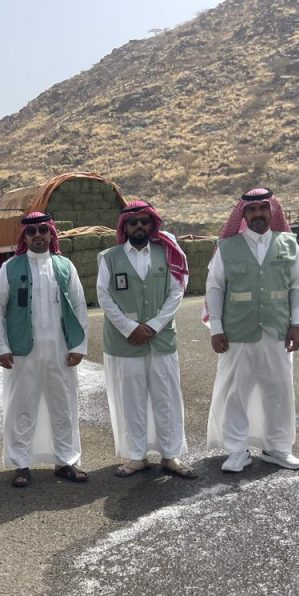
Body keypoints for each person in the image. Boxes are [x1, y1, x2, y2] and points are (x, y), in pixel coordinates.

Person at [205, 188, 299, 473]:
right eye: (251, 210)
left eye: (263, 208)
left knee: (279, 389)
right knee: (236, 392)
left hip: (277, 330)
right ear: (243, 214)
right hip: (237, 331)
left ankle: (278, 448)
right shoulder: (228, 246)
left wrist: (297, 324)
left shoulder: (288, 244)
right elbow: (215, 287)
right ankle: (237, 450)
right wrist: (216, 328)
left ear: (272, 210)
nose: (257, 214)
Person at [97, 200, 197, 479]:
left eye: (144, 221)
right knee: (132, 400)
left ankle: (171, 455)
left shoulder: (168, 253)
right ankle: (136, 456)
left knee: (167, 398)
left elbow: (177, 292)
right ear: (124, 226)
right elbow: (104, 296)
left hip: (161, 340)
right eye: (133, 222)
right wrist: (129, 328)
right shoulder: (109, 257)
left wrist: (152, 326)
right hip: (125, 342)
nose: (139, 226)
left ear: (152, 224)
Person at [0, 212, 90, 486]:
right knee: (21, 407)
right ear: (24, 236)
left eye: (43, 230)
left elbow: (80, 306)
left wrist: (79, 345)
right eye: (31, 231)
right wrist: (2, 347)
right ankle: (21, 464)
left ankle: (66, 461)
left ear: (51, 233)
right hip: (23, 352)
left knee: (63, 406)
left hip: (60, 350)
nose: (38, 235)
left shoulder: (65, 266)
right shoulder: (10, 268)